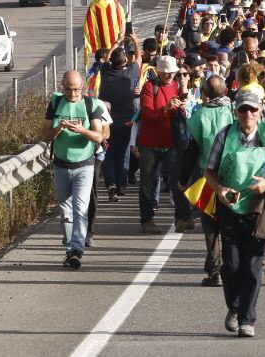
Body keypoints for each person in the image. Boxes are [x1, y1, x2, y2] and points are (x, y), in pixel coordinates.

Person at [202, 89, 265, 338]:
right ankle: (234, 308)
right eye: (243, 109)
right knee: (231, 265)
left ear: (260, 111)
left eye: (252, 109)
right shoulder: (224, 135)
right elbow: (209, 171)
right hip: (230, 205)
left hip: (260, 207)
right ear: (236, 112)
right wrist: (220, 189)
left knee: (253, 265)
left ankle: (247, 318)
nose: (248, 114)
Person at [44, 71, 108, 269]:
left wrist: (82, 131)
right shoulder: (55, 103)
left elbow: (99, 136)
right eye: (69, 90)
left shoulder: (91, 105)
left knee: (80, 209)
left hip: (84, 166)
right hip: (61, 165)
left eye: (77, 90)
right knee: (65, 211)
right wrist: (58, 129)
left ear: (83, 88)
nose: (73, 94)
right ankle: (71, 248)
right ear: (62, 87)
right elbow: (45, 135)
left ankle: (77, 250)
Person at [136, 55, 195, 235]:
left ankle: (182, 218)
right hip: (150, 143)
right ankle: (147, 220)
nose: (169, 75)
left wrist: (182, 108)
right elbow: (146, 117)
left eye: (172, 72)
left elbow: (179, 116)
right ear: (158, 72)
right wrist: (166, 109)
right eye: (166, 72)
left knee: (177, 180)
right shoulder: (149, 87)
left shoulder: (177, 86)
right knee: (148, 183)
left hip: (171, 142)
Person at [186, 74, 233, 286]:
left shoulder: (198, 116)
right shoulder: (234, 111)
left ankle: (215, 271)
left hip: (208, 176)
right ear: (225, 91)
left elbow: (193, 147)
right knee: (231, 224)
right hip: (233, 174)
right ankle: (231, 266)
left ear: (204, 94)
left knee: (210, 226)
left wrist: (182, 177)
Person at [97, 47, 136, 201]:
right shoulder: (130, 74)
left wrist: (116, 42)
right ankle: (121, 184)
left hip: (107, 123)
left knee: (109, 154)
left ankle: (111, 184)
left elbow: (106, 60)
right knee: (122, 154)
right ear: (125, 60)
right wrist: (132, 40)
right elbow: (138, 58)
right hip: (126, 122)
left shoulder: (105, 72)